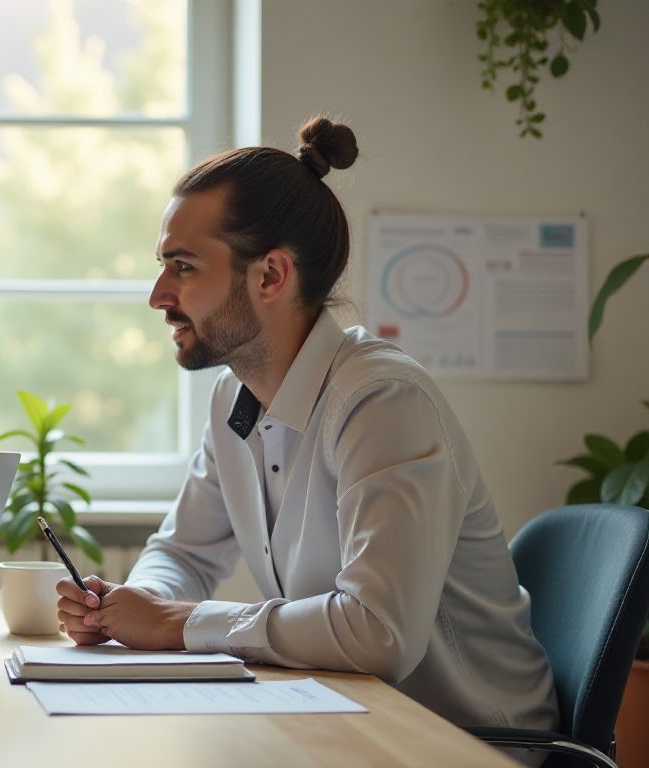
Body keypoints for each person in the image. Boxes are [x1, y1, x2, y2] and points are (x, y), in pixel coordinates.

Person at [55, 118, 558, 732]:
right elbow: (184, 551)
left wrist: (174, 622)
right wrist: (127, 606)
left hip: (468, 739)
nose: (158, 295)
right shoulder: (232, 397)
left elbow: (379, 632)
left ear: (270, 275)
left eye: (183, 267)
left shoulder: (381, 401)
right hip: (351, 717)